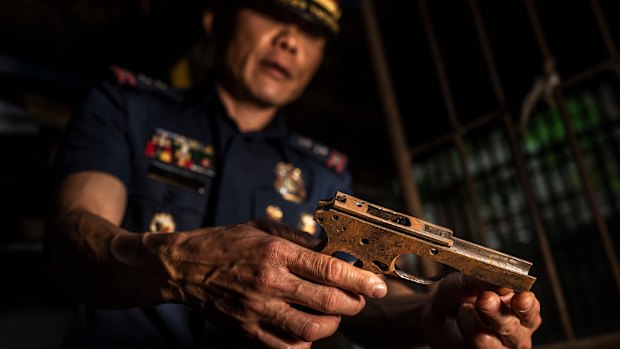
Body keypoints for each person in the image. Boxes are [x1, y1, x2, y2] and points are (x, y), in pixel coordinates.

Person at [46, 0, 542, 348]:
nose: (289, 41)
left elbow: (364, 296)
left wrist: (434, 313)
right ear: (215, 17)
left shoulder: (324, 169)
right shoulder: (124, 105)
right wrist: (184, 265)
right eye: (272, 12)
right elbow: (73, 236)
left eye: (312, 31)